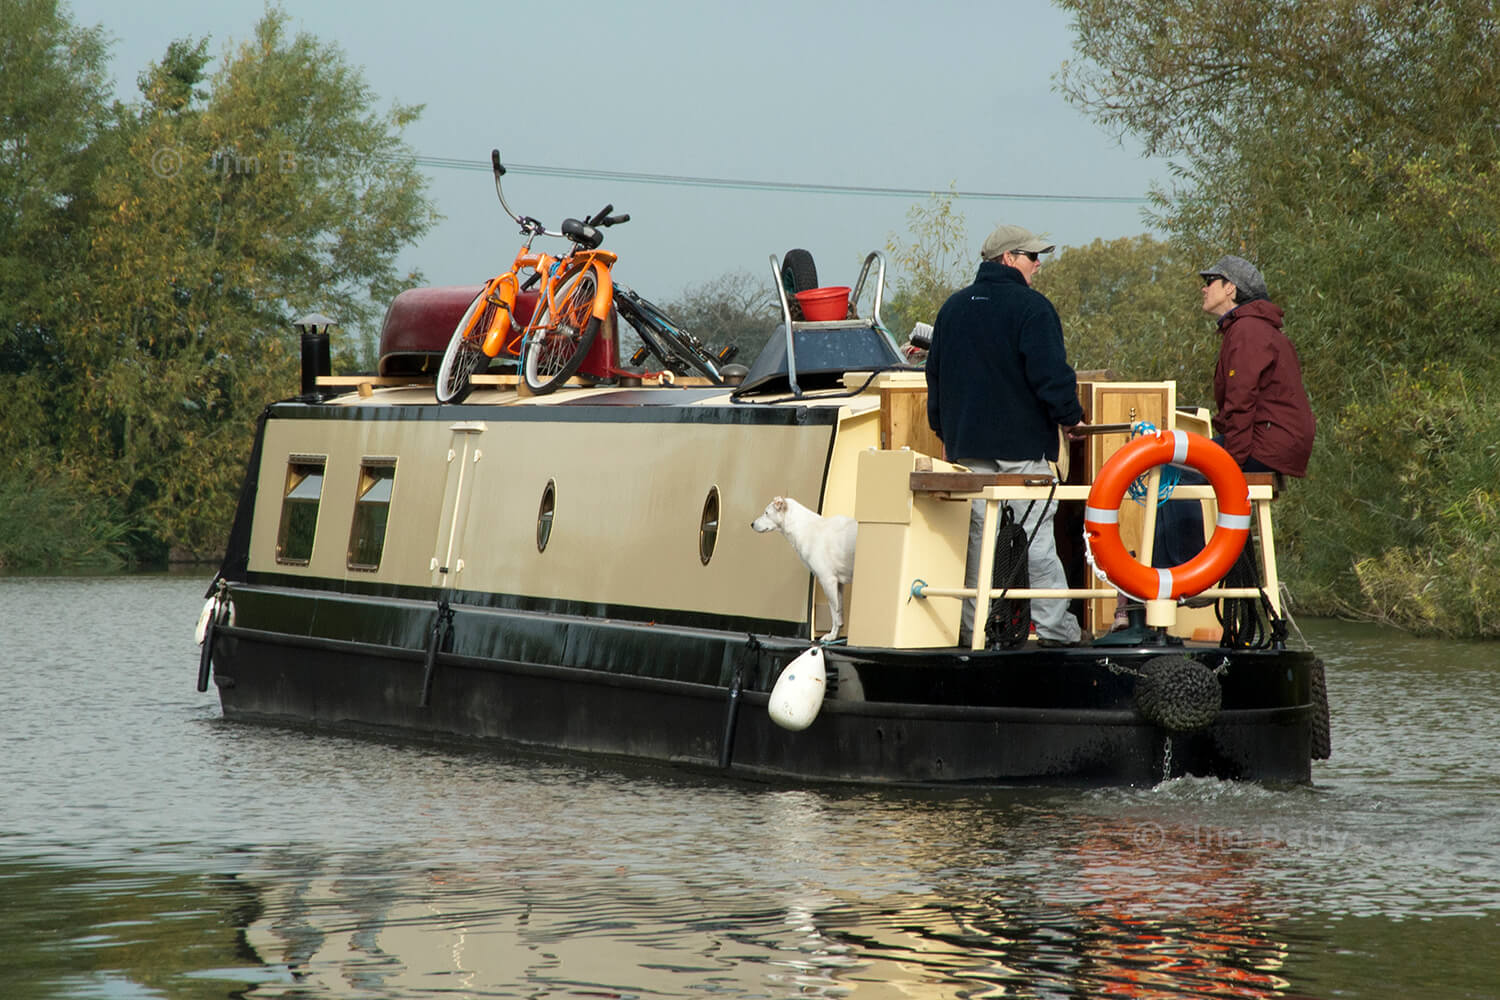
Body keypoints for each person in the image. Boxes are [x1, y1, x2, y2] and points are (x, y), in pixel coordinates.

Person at [926, 224, 1087, 648]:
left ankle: (972, 627)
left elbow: (936, 378)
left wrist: (945, 431)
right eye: (1032, 257)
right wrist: (1071, 418)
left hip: (968, 450)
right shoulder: (1032, 309)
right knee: (1034, 536)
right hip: (1021, 450)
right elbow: (1050, 376)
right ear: (1007, 259)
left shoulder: (952, 309)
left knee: (979, 540)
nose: (1038, 265)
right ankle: (1055, 627)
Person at [1150, 254, 1315, 571]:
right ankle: (1155, 591)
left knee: (1174, 472)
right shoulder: (1252, 328)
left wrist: (1231, 465)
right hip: (1270, 440)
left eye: (1209, 281)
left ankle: (1185, 570)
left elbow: (1241, 404)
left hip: (1263, 444)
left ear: (1230, 289)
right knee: (1176, 463)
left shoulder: (1247, 330)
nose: (1204, 289)